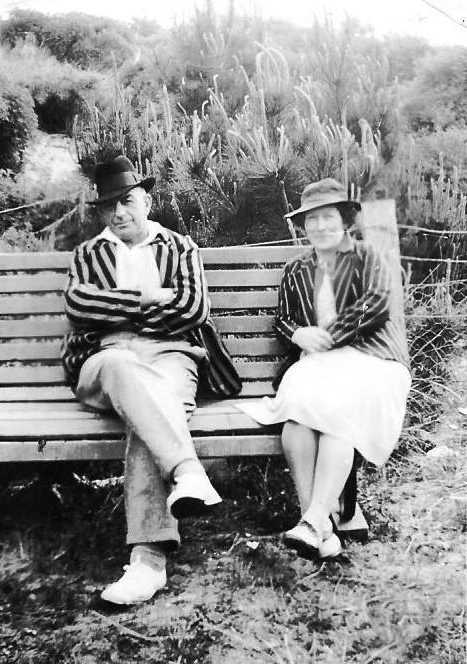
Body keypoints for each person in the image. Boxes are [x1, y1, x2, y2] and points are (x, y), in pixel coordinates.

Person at [61, 155, 241, 605]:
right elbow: (80, 309)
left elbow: (192, 309)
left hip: (171, 357)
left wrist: (117, 307)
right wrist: (149, 298)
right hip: (106, 360)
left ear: (147, 199)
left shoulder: (180, 247)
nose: (118, 213)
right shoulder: (88, 254)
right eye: (108, 207)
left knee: (151, 408)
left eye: (126, 201)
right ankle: (187, 471)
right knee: (128, 371)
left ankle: (147, 562)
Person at [237, 178, 411, 560]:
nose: (319, 226)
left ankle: (314, 520)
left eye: (328, 216)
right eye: (311, 219)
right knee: (297, 414)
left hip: (372, 360)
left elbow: (377, 303)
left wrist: (328, 335)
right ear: (303, 225)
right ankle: (315, 523)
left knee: (337, 411)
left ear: (345, 219)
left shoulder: (369, 256)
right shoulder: (297, 268)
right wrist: (299, 334)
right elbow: (282, 320)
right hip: (317, 363)